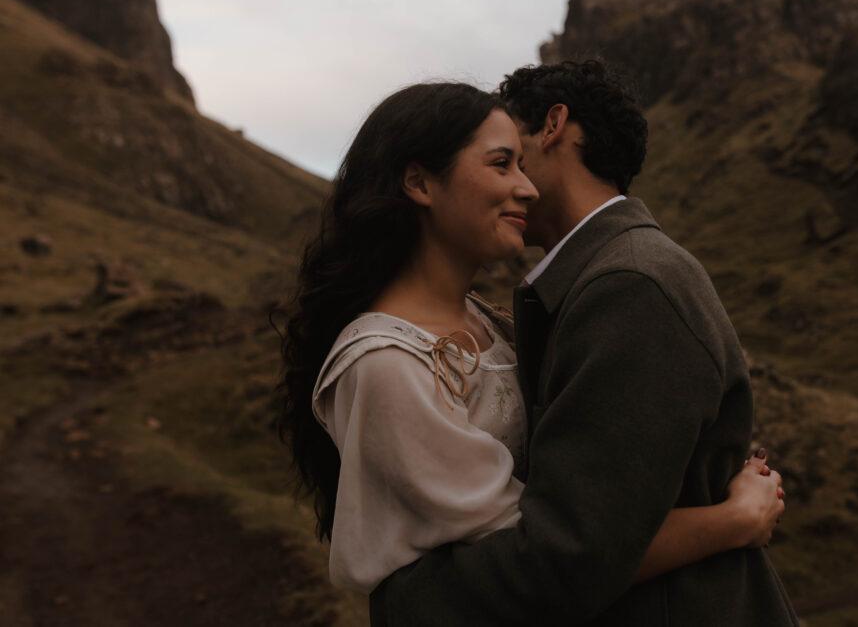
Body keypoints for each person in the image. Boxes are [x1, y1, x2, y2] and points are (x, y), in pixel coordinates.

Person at [276, 81, 785, 614]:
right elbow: (554, 556)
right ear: (419, 182)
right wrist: (729, 521)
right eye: (502, 164)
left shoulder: (494, 322)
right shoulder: (387, 363)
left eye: (522, 163)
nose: (528, 188)